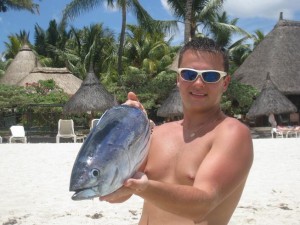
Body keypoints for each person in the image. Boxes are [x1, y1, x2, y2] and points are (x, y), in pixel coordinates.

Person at [100, 37, 254, 225]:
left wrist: (144, 188)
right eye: (189, 74)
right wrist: (124, 128)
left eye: (211, 76)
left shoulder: (232, 134)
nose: (198, 83)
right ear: (178, 79)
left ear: (225, 82)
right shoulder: (158, 134)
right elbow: (116, 195)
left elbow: (203, 205)